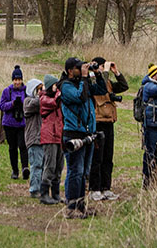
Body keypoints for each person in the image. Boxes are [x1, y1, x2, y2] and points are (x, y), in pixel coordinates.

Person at [60, 56, 106, 218]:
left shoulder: (82, 83)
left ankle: (81, 206)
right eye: (78, 68)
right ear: (70, 71)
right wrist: (85, 78)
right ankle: (71, 208)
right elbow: (80, 97)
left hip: (87, 135)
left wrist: (98, 75)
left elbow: (101, 91)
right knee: (75, 171)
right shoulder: (65, 86)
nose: (81, 70)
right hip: (73, 135)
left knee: (84, 172)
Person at [88, 56, 128, 201]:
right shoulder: (92, 80)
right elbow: (100, 88)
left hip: (109, 122)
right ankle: (94, 188)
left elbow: (124, 86)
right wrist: (102, 72)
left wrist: (116, 72)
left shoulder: (108, 81)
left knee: (108, 157)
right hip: (98, 122)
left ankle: (106, 188)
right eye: (102, 66)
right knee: (97, 158)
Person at [0, 65, 29, 180]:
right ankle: (15, 171)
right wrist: (12, 104)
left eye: (19, 79)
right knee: (12, 148)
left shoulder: (26, 91)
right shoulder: (7, 91)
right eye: (15, 80)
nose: (17, 82)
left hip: (22, 124)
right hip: (9, 124)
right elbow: (1, 106)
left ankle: (25, 168)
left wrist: (22, 105)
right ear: (12, 80)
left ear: (22, 80)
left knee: (23, 146)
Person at [39, 74, 64, 205]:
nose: (56, 87)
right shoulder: (44, 99)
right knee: (50, 165)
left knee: (59, 166)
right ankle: (44, 194)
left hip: (59, 136)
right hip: (49, 136)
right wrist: (59, 93)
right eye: (55, 85)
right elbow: (54, 102)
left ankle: (55, 194)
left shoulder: (54, 96)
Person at [23, 78, 45, 197]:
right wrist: (41, 94)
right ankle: (34, 189)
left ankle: (41, 187)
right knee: (36, 164)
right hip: (33, 138)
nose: (41, 91)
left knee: (42, 164)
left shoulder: (40, 100)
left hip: (42, 137)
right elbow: (35, 104)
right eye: (38, 89)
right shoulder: (27, 101)